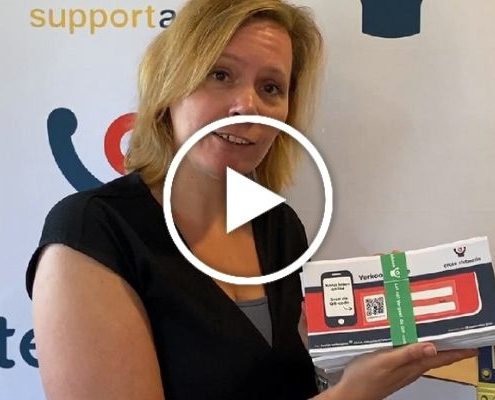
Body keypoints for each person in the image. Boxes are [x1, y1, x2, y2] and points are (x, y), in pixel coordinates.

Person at [26, 0, 476, 399]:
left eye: (271, 88)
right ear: (170, 87)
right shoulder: (92, 233)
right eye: (220, 75)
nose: (247, 105)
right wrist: (356, 393)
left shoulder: (279, 226)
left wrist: (349, 343)